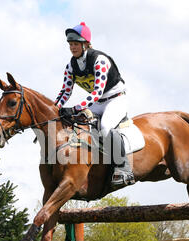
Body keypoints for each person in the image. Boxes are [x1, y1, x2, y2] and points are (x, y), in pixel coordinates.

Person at [56, 22, 135, 187]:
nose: (72, 47)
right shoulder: (71, 66)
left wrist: (76, 108)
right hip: (97, 103)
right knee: (79, 125)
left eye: (76, 44)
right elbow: (65, 91)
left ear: (86, 44)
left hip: (116, 98)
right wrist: (55, 109)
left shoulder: (100, 60)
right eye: (70, 44)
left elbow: (97, 92)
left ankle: (124, 168)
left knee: (105, 127)